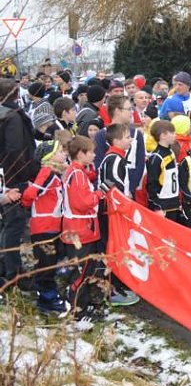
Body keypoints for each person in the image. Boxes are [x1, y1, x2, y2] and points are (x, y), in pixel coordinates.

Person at [22, 140, 70, 316]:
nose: (64, 154)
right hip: (43, 227)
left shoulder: (54, 173)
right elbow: (30, 194)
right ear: (50, 156)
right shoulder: (47, 172)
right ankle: (47, 300)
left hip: (52, 226)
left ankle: (46, 293)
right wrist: (27, 205)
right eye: (60, 151)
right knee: (46, 265)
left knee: (49, 263)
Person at [62, 135, 106, 321]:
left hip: (78, 228)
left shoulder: (76, 170)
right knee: (82, 271)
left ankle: (82, 303)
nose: (94, 155)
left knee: (82, 270)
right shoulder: (77, 173)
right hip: (81, 229)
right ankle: (78, 311)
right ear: (81, 154)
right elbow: (82, 202)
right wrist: (98, 193)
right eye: (91, 152)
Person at [97, 122, 140, 307]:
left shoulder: (118, 157)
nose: (130, 140)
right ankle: (113, 288)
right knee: (112, 247)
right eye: (126, 137)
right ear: (115, 140)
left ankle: (117, 284)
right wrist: (124, 205)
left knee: (116, 246)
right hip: (110, 212)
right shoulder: (114, 158)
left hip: (114, 211)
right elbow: (113, 187)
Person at [0, 78, 39, 285]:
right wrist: (25, 175)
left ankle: (8, 267)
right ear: (16, 94)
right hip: (14, 178)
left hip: (6, 176)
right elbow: (15, 150)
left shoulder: (6, 114)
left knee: (8, 225)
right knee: (14, 226)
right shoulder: (12, 117)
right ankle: (13, 274)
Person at [146, 120, 181, 222]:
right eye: (172, 133)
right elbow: (151, 184)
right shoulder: (156, 157)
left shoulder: (170, 152)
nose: (175, 135)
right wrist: (157, 207)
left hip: (172, 202)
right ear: (163, 136)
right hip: (162, 205)